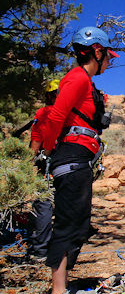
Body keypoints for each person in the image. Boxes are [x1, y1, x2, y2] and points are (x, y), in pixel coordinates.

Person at [41, 26, 119, 294]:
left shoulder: (85, 81)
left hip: (80, 156)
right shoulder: (76, 78)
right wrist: (49, 151)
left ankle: (63, 288)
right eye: (107, 56)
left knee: (78, 221)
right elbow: (57, 114)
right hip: (71, 155)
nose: (109, 62)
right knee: (68, 223)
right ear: (96, 52)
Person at [27, 79, 60, 260]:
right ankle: (64, 248)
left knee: (43, 204)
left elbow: (36, 142)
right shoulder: (70, 113)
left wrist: (28, 163)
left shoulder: (43, 113)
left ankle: (40, 249)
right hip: (68, 160)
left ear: (48, 96)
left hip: (47, 162)